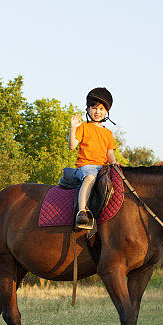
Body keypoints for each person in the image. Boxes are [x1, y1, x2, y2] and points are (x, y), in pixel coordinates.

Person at [68, 87, 117, 229]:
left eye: (101, 109)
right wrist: (72, 128)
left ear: (106, 111)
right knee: (90, 178)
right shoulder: (83, 127)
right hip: (86, 166)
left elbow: (110, 154)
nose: (97, 112)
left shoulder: (108, 133)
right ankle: (82, 212)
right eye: (94, 108)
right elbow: (72, 146)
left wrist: (115, 165)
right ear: (88, 109)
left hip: (102, 167)